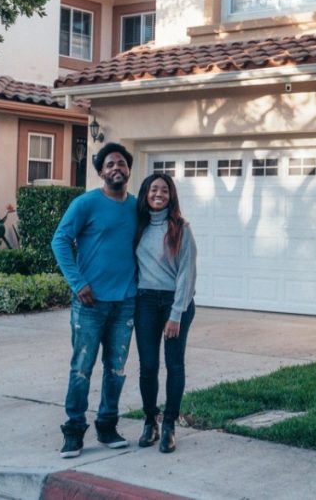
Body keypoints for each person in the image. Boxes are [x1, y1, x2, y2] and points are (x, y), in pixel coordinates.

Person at [51, 142, 138, 458]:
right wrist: (77, 283)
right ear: (101, 172)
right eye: (110, 164)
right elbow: (59, 240)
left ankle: (107, 426)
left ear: (128, 169)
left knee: (116, 369)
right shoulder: (85, 204)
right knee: (81, 368)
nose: (116, 168)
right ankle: (73, 432)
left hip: (126, 302)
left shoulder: (136, 207)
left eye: (121, 164)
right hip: (89, 303)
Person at [133, 173, 198, 454]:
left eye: (164, 190)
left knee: (175, 364)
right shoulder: (138, 226)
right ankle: (151, 421)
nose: (158, 194)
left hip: (176, 302)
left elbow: (187, 273)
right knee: (148, 366)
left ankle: (170, 424)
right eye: (153, 189)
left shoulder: (181, 228)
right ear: (145, 193)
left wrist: (176, 314)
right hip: (145, 301)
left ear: (171, 196)